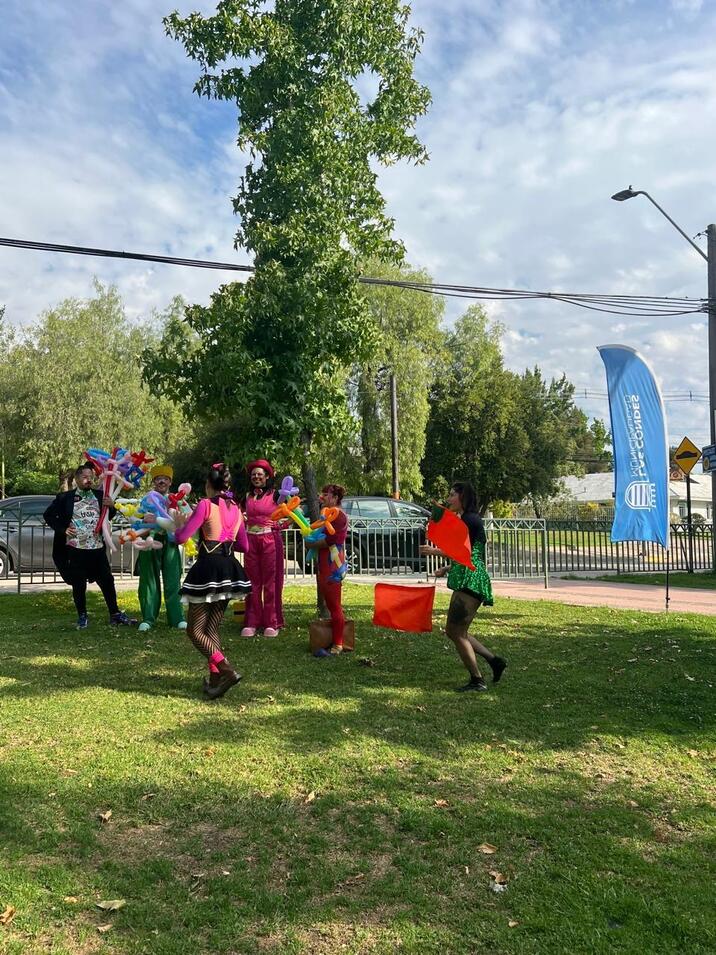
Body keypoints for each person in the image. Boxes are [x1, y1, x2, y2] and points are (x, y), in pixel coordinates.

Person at [173, 463, 251, 699]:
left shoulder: (205, 505)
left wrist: (178, 525)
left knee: (194, 631)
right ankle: (216, 680)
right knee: (212, 627)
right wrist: (227, 538)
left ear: (209, 485)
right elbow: (244, 545)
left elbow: (182, 538)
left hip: (208, 568)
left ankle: (226, 669)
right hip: (229, 569)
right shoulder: (236, 508)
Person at [420, 481, 507, 692]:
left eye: (452, 495)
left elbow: (462, 551)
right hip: (470, 577)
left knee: (455, 632)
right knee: (457, 631)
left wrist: (434, 551)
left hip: (471, 580)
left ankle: (477, 680)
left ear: (463, 497)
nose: (449, 499)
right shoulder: (469, 519)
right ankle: (494, 661)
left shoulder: (469, 520)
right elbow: (469, 554)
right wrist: (447, 568)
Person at [43, 463, 137, 630]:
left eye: (91, 477)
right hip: (76, 548)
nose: (88, 480)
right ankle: (82, 616)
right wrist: (63, 529)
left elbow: (109, 515)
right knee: (79, 584)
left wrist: (111, 505)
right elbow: (48, 515)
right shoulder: (65, 498)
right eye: (85, 477)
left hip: (97, 548)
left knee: (107, 581)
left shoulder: (100, 495)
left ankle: (115, 614)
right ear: (77, 478)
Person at [136, 464, 187, 633]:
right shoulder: (147, 499)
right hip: (151, 540)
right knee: (148, 579)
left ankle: (177, 618)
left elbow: (186, 519)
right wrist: (144, 518)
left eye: (165, 479)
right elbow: (136, 519)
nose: (162, 481)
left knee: (173, 578)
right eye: (158, 479)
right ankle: (148, 618)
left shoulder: (177, 499)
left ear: (170, 482)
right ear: (154, 482)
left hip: (170, 542)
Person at [241, 459, 285, 637]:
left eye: (260, 474)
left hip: (270, 540)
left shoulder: (276, 495)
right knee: (252, 581)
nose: (256, 477)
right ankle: (252, 621)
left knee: (271, 581)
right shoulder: (247, 496)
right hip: (251, 540)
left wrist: (281, 525)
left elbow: (292, 511)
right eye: (253, 474)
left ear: (267, 476)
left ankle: (272, 622)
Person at [307, 483, 349, 656]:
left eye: (326, 495)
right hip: (326, 563)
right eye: (322, 494)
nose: (321, 497)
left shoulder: (338, 515)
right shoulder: (329, 514)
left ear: (335, 498)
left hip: (333, 565)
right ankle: (334, 639)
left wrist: (311, 544)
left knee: (334, 604)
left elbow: (332, 540)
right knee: (331, 604)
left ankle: (338, 643)